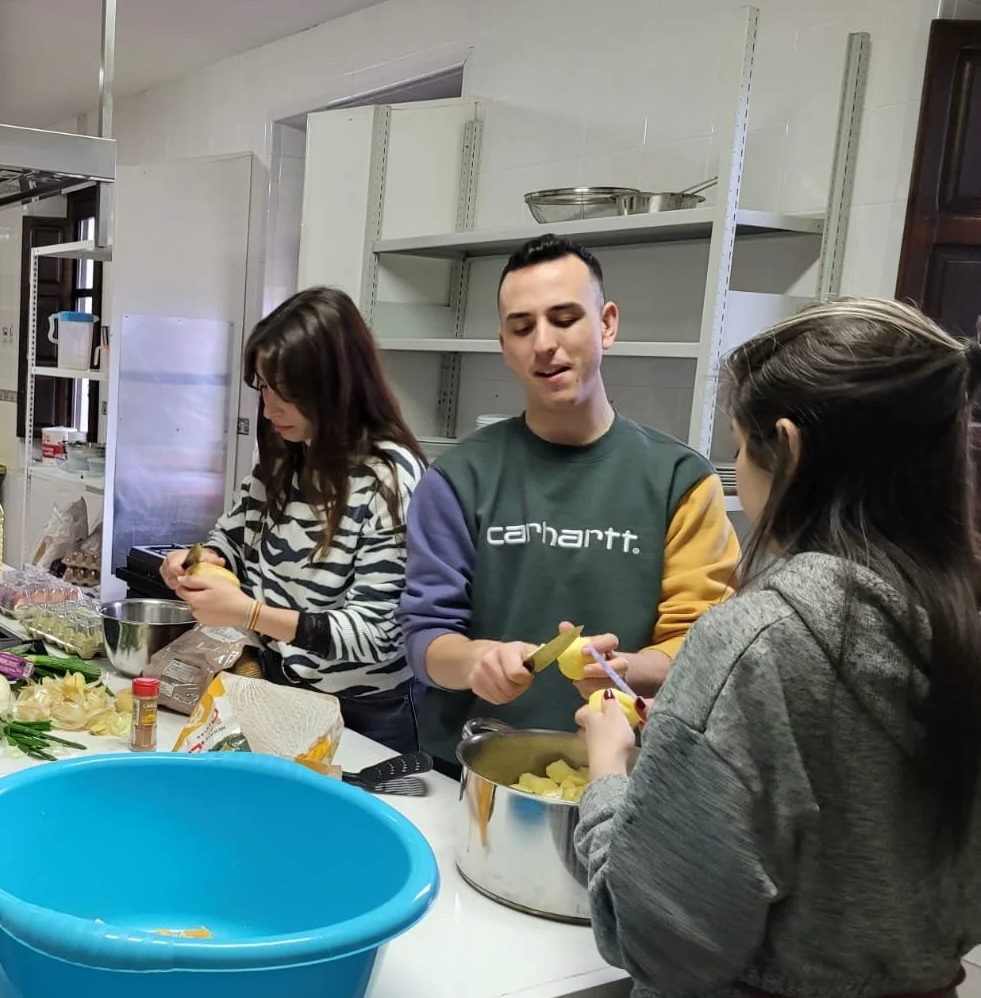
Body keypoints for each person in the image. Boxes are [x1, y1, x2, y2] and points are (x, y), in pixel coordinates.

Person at [574, 299, 981, 998]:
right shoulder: (975, 641)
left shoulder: (757, 640)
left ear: (790, 450)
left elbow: (657, 937)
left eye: (739, 447)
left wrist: (611, 772)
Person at [399, 235, 738, 771]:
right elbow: (426, 638)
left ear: (606, 325)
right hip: (475, 773)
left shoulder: (681, 480)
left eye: (564, 319)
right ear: (504, 344)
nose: (543, 343)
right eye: (522, 327)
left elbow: (701, 647)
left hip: (629, 775)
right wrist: (478, 661)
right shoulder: (456, 479)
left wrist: (624, 668)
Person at [160, 287, 428, 752]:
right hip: (281, 687)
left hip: (364, 712)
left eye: (287, 393)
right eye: (264, 387)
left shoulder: (390, 479)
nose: (269, 409)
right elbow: (233, 538)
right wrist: (201, 560)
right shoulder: (287, 457)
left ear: (336, 386)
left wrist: (250, 613)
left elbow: (378, 635)